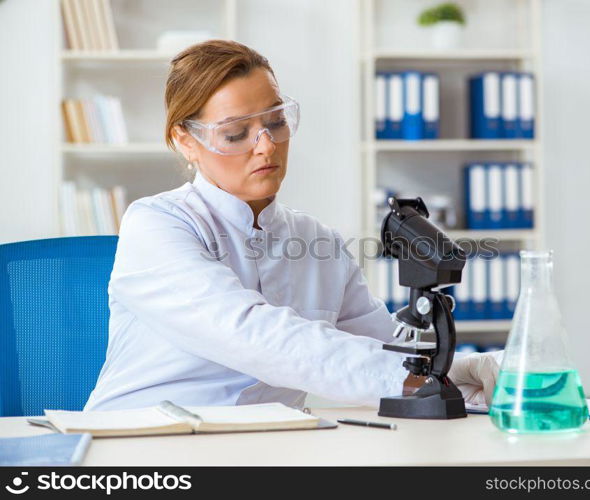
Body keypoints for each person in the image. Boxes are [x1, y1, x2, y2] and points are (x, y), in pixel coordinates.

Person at [84, 40, 502, 412]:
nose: (266, 145)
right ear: (185, 141)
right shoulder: (157, 224)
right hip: (143, 444)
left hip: (266, 448)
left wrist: (458, 373)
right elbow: (251, 334)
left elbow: (383, 348)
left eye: (276, 122)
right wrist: (418, 381)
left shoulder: (316, 240)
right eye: (235, 134)